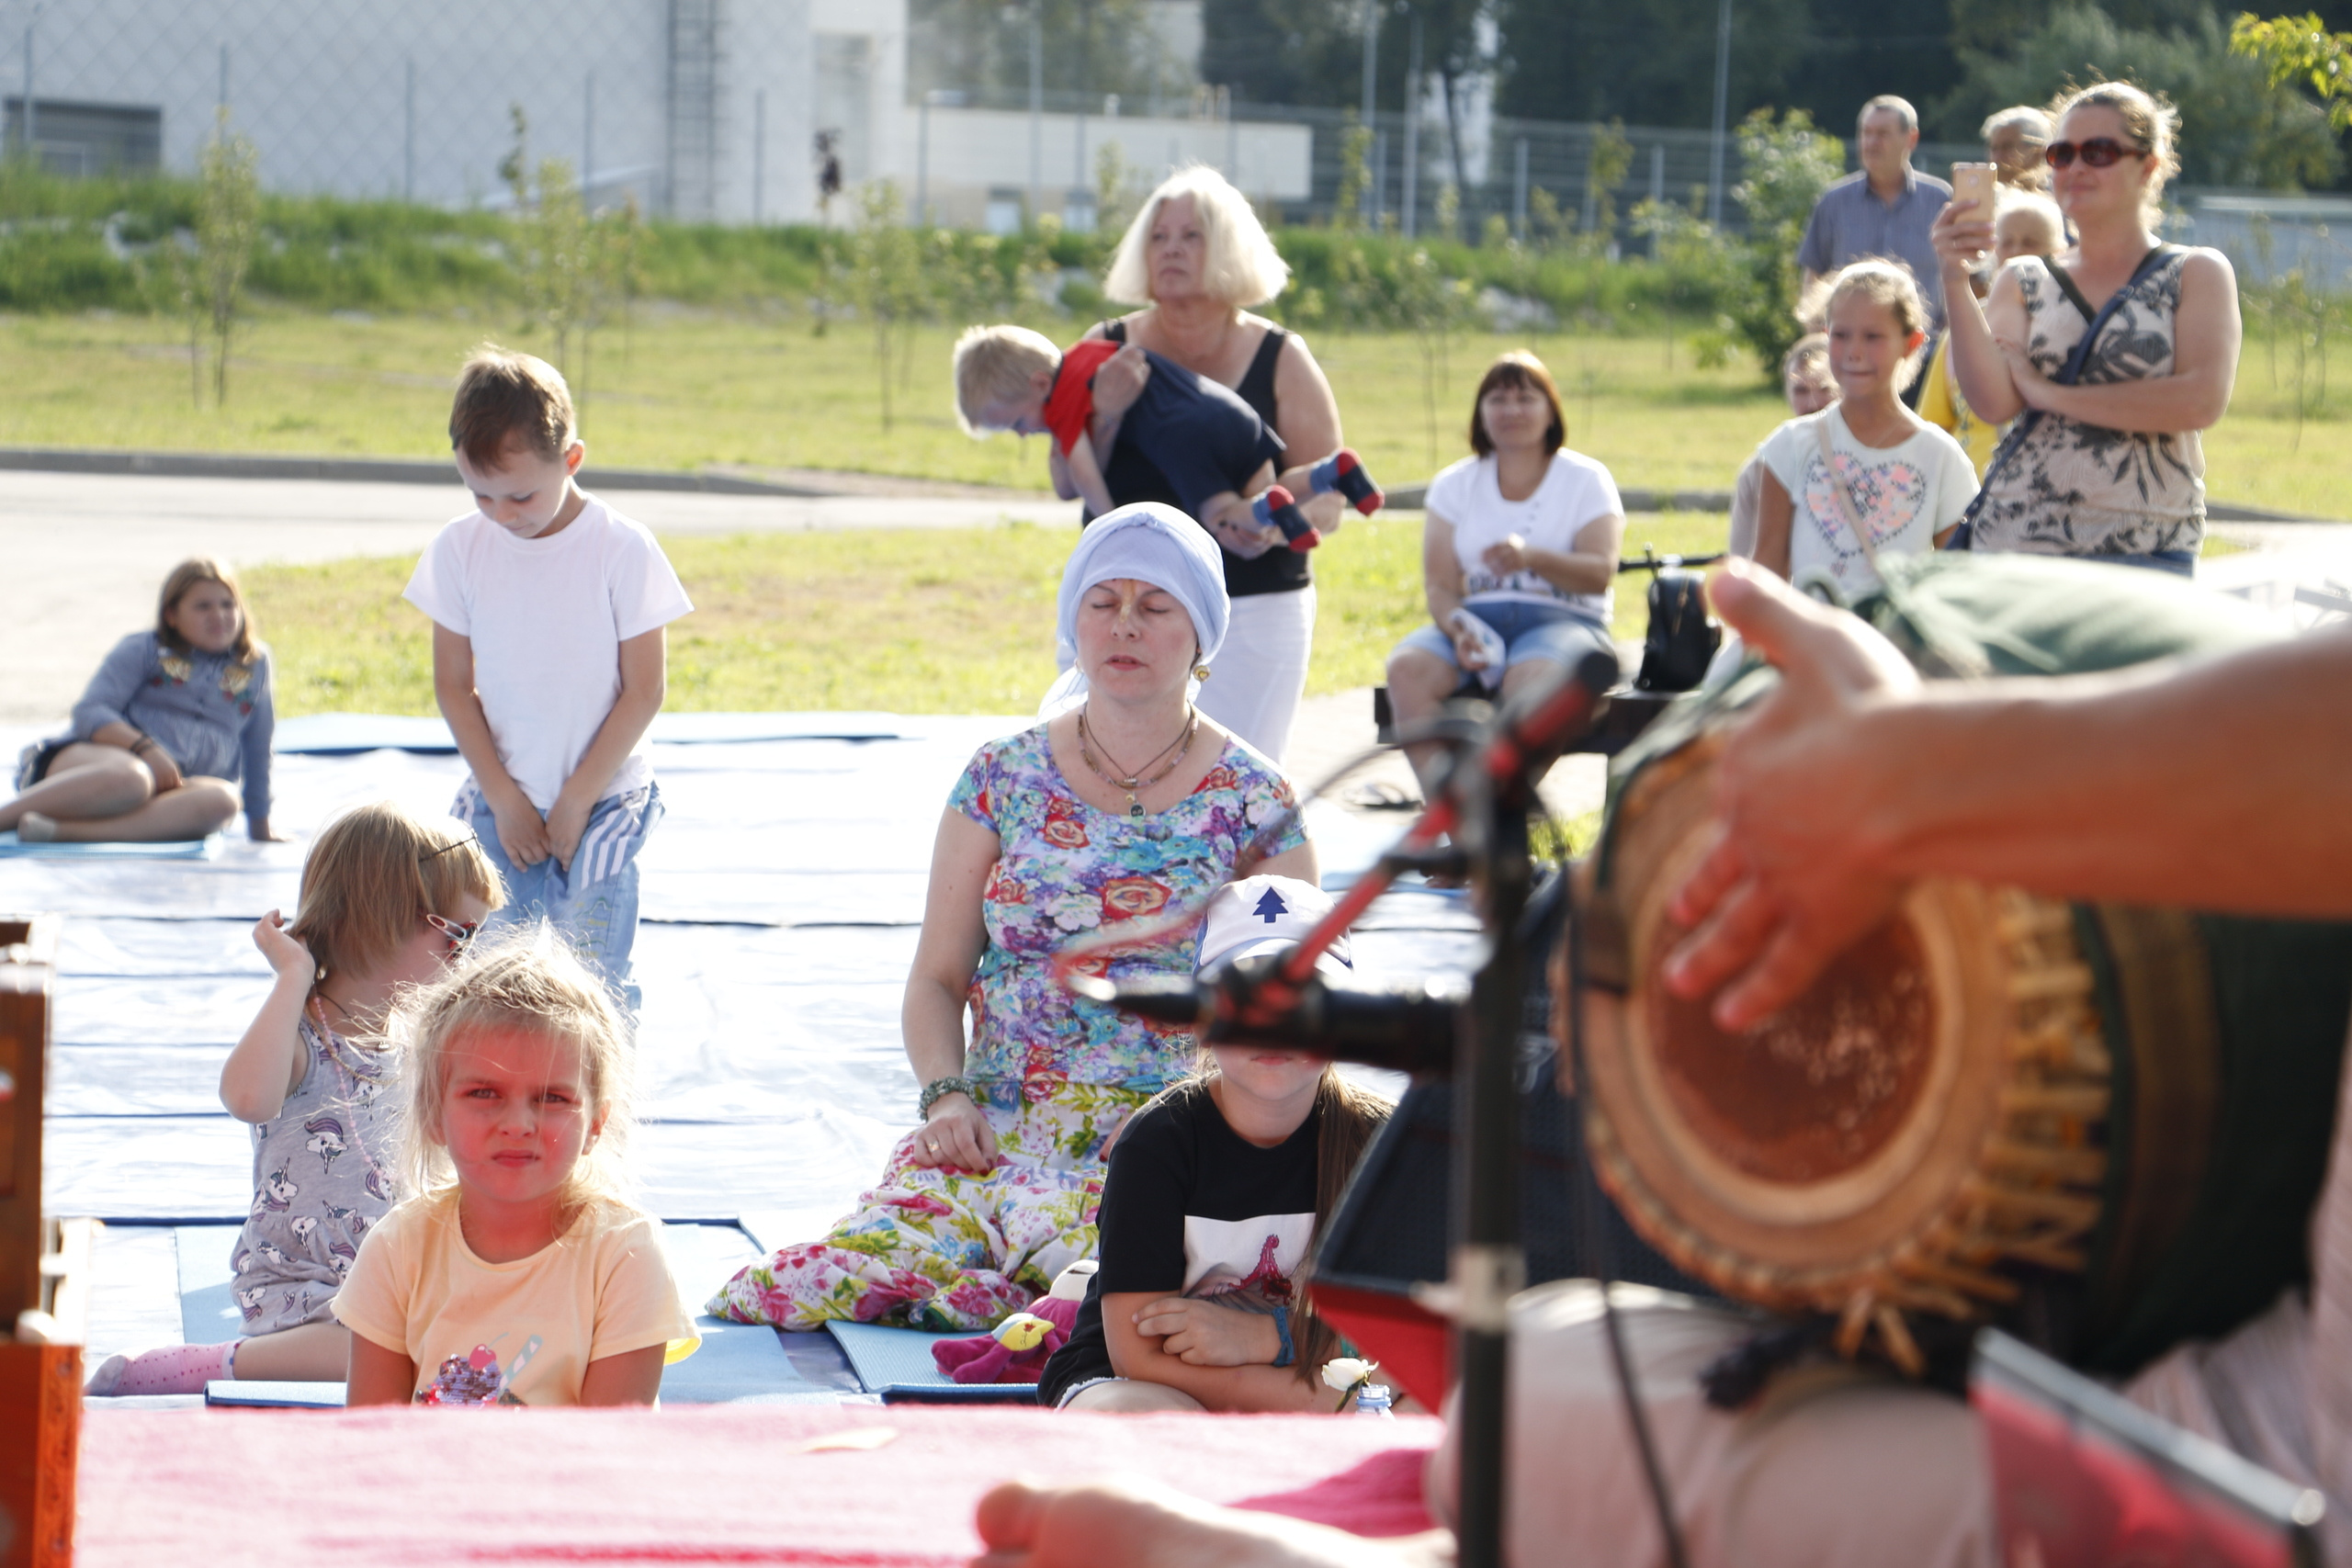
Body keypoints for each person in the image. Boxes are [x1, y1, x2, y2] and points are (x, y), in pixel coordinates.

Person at [965, 559, 2352, 1568]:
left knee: (1536, 1427)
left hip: (2277, 1487)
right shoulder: (1166, 1135)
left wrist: (1907, 773)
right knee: (1541, 1391)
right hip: (2230, 1382)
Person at [706, 503, 1317, 1333]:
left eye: (1154, 605)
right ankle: (1014, 1292)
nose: (1125, 624)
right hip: (993, 1138)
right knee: (801, 1284)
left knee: (1128, 1292)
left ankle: (1037, 1295)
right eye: (1103, 602)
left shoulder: (1258, 800)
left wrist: (1202, 1130)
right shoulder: (1002, 775)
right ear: (1073, 620)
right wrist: (946, 1100)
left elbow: (1285, 1016)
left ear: (1202, 635)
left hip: (1165, 1145)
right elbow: (937, 978)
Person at [82, 802, 504, 1396]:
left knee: (490, 1327)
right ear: (385, 917)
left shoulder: (419, 1039)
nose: (469, 958)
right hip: (304, 1286)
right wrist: (292, 977)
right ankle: (206, 1364)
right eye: (460, 936)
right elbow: (246, 1096)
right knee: (378, 1349)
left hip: (395, 1278)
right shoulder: (301, 1036)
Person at [1039, 875, 1394, 1414]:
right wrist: (1329, 1405)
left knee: (1457, 1403)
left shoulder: (1383, 1142)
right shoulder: (1157, 1144)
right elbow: (1137, 1358)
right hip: (1145, 1382)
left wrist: (1271, 1337)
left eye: (1303, 996)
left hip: (1312, 1377)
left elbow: (1419, 1337)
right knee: (1153, 1424)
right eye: (1246, 997)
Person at [403, 347, 694, 990]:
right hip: (500, 794)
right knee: (482, 973)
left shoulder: (622, 547)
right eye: (480, 494)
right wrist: (505, 797)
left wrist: (577, 797)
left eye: (521, 495)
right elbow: (453, 685)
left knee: (592, 978)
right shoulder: (459, 547)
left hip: (606, 798)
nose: (502, 514)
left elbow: (645, 689)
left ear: (572, 459)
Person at [336, 929, 700, 1406]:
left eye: (552, 1098)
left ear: (596, 1123)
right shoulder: (396, 1247)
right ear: (432, 1113)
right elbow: (371, 1431)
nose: (517, 1125)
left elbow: (609, 1442)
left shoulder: (625, 1254)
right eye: (484, 1093)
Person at [1072, 165, 1354, 763]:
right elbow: (1069, 476)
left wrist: (1275, 528)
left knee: (1239, 787)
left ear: (1229, 247)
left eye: (1191, 236)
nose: (1170, 249)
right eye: (1158, 236)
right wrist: (1109, 413)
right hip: (1121, 611)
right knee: (1108, 776)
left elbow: (1329, 499)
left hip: (1256, 610)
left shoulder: (1283, 356)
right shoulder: (1105, 345)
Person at [1930, 81, 2237, 572]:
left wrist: (2049, 395)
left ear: (2149, 165)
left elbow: (2198, 402)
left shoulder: (2196, 272)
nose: (2075, 168)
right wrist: (1954, 278)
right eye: (2062, 154)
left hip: (2146, 545)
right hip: (2017, 540)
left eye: (2098, 152)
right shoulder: (2023, 278)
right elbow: (1993, 403)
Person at [1384, 352, 1624, 787]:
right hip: (1476, 621)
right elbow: (1439, 585)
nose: (1511, 410)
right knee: (1406, 668)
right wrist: (1459, 629)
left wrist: (1532, 558)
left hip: (1566, 621)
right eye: (1497, 399)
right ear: (1480, 413)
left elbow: (1599, 573)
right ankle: (1447, 805)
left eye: (1526, 398)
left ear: (1551, 411)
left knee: (1533, 681)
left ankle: (1498, 805)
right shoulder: (1453, 484)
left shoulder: (1587, 479)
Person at [955, 324, 1383, 553]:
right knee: (1269, 487)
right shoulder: (1094, 353)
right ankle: (1332, 471)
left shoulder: (1063, 400)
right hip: (1229, 410)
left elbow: (1081, 476)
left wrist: (1112, 524)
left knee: (1224, 516)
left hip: (1185, 437)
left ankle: (1269, 509)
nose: (1024, 433)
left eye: (1017, 422)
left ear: (1039, 383)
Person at [4, 558, 274, 844]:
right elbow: (90, 711)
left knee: (223, 800)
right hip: (100, 767)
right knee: (133, 778)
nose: (218, 615)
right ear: (171, 615)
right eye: (202, 606)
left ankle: (59, 832)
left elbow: (258, 747)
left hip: (172, 789)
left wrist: (261, 828)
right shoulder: (145, 648)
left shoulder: (255, 664)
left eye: (228, 604)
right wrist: (147, 750)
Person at [1752, 262, 1978, 597]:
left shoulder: (1941, 456)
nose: (1854, 352)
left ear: (1912, 342)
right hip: (1808, 631)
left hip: (1896, 632)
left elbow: (1959, 582)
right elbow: (1766, 578)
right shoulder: (1790, 446)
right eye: (1841, 335)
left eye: (1873, 337)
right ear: (1826, 335)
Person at [1917, 191, 2065, 479]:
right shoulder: (1962, 328)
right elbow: (1933, 428)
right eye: (2006, 242)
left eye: (2031, 242)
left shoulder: (2074, 328)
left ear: (2060, 251)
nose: (2017, 252)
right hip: (1966, 491)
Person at [1798, 96, 1952, 333]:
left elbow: (1960, 274)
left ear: (1911, 138)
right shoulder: (1834, 202)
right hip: (1850, 347)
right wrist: (1817, 335)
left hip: (1925, 345)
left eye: (1882, 134)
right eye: (1866, 133)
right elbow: (1814, 275)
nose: (1871, 142)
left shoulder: (1940, 200)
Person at [1728, 335, 1838, 559]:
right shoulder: (1759, 470)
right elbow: (1743, 563)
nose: (1812, 403)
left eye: (1824, 388)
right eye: (1800, 391)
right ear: (1787, 393)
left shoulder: (1875, 455)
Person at [1982, 105, 2053, 191]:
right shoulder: (1982, 196)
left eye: (2007, 147)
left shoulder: (2061, 195)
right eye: (1994, 149)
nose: (1997, 158)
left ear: (2038, 152)